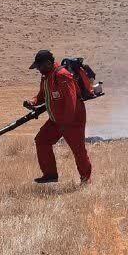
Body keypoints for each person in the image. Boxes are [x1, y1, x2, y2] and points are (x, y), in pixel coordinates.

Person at [24, 49, 92, 184]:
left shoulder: (62, 76)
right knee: (42, 140)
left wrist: (65, 124)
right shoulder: (46, 77)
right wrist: (33, 102)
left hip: (73, 119)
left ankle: (86, 180)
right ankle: (50, 175)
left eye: (39, 67)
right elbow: (42, 95)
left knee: (78, 150)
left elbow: (71, 101)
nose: (38, 70)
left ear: (48, 63)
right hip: (57, 119)